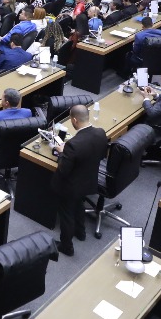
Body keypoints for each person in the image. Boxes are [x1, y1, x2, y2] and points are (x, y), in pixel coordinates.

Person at [50, 105, 108, 255]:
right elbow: (102, 155)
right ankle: (80, 233)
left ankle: (66, 246)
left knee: (67, 214)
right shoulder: (101, 133)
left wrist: (62, 152)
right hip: (88, 181)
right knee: (79, 205)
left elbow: (63, 170)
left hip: (70, 186)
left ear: (74, 120)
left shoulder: (73, 145)